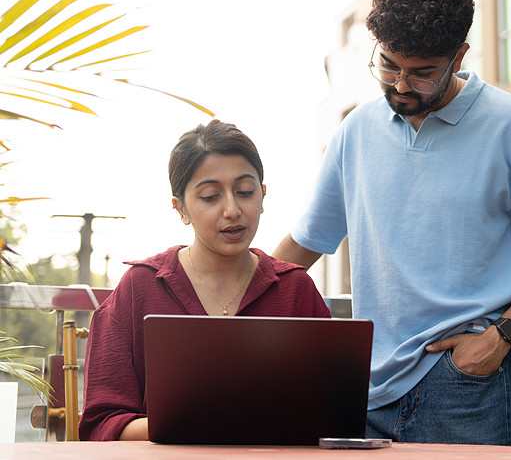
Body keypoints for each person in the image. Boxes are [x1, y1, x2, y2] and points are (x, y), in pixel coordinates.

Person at [272, 0, 511, 446]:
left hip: (468, 384)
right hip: (365, 388)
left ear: (459, 56)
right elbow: (302, 247)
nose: (401, 86)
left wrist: (500, 338)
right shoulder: (355, 132)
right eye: (388, 66)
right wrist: (226, 316)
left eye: (422, 73)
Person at [79, 119, 330, 441]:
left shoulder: (296, 289)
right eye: (211, 197)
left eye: (245, 192)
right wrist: (206, 421)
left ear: (263, 196)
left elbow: (332, 417)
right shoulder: (139, 288)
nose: (232, 210)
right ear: (181, 209)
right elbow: (101, 426)